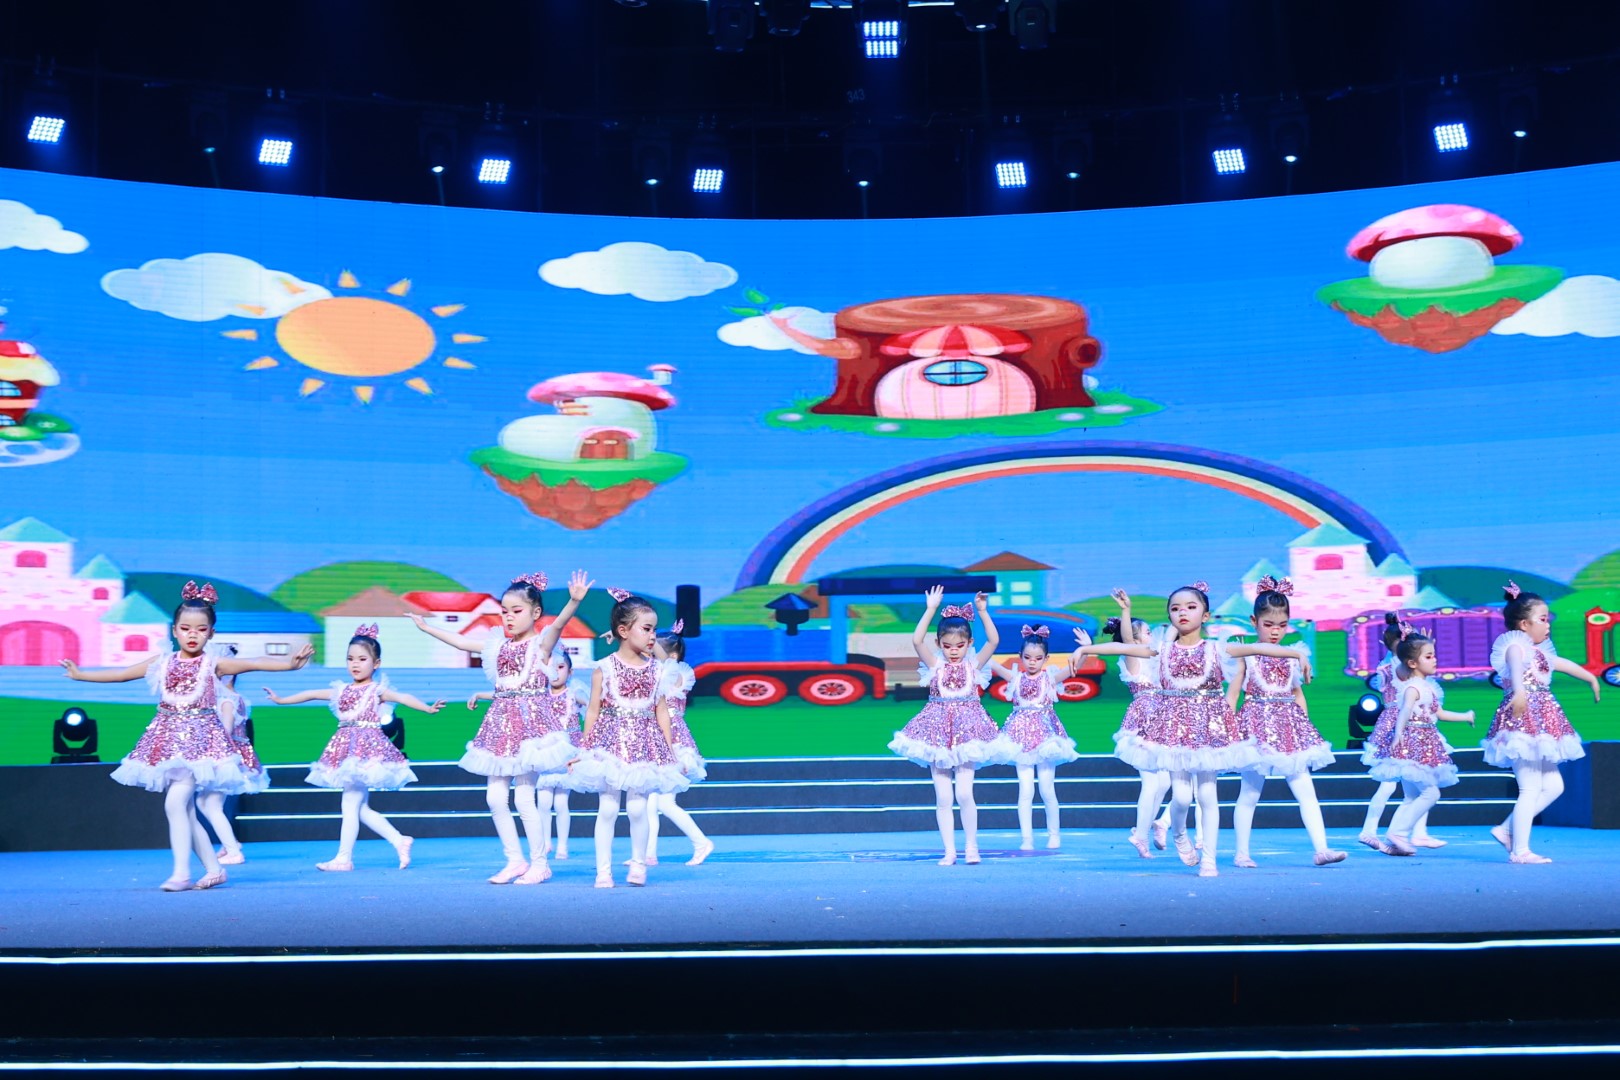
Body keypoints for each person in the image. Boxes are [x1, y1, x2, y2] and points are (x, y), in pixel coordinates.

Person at [62, 581, 312, 891]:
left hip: (200, 744)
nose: (193, 634)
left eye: (201, 629)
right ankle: (214, 869)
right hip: (167, 742)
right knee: (187, 812)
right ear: (174, 631)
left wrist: (289, 664)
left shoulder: (213, 663)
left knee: (175, 803)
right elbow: (122, 674)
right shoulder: (162, 662)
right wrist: (81, 675)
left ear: (211, 633)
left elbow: (254, 662)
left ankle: (181, 873)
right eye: (185, 628)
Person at [1114, 581, 1311, 877]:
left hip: (1208, 730)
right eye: (1176, 608)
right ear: (1169, 615)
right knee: (1181, 797)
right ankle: (1179, 834)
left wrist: (1297, 655)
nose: (1183, 612)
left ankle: (1209, 860)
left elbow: (1257, 647)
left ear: (1205, 615)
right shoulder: (1163, 650)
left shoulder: (1215, 649)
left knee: (1207, 796)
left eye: (1191, 607)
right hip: (1175, 731)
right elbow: (1125, 647)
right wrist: (1088, 647)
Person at [415, 570, 589, 885]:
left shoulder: (540, 644)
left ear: (535, 612)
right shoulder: (498, 646)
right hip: (500, 726)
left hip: (532, 727)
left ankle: (540, 864)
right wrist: (427, 628)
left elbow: (558, 625)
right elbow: (462, 641)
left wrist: (574, 602)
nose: (509, 617)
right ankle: (515, 860)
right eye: (504, 611)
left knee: (524, 798)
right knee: (495, 798)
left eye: (516, 610)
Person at [265, 624, 443, 871]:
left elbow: (403, 698)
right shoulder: (342, 690)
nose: (355, 664)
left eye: (362, 659)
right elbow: (312, 693)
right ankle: (398, 840)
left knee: (350, 804)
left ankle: (344, 858)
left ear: (376, 663)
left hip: (366, 753)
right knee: (360, 807)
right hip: (345, 750)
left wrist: (427, 708)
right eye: (350, 659)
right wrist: (281, 700)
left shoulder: (376, 690)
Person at [570, 590, 690, 888]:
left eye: (654, 629)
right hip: (610, 745)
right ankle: (603, 871)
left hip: (645, 746)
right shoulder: (604, 668)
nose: (652, 636)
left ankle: (638, 864)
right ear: (623, 631)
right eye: (646, 629)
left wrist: (671, 751)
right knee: (608, 808)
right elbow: (593, 711)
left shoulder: (657, 670)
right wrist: (584, 749)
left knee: (638, 808)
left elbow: (662, 711)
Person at [1229, 577, 1346, 868]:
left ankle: (1322, 849)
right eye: (1268, 624)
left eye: (1281, 625)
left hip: (1288, 727)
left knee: (1305, 789)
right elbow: (1234, 692)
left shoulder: (1293, 657)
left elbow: (1297, 694)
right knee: (1250, 792)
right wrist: (1226, 725)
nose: (1275, 631)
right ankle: (1242, 853)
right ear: (1254, 621)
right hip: (1255, 726)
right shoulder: (1246, 654)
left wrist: (1303, 726)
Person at [1482, 581, 1602, 863]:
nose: (1548, 625)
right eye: (1543, 619)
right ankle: (1520, 851)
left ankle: (1505, 829)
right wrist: (1520, 691)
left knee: (1554, 786)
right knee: (1530, 788)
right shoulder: (1515, 646)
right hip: (1522, 723)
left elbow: (1564, 664)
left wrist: (1591, 678)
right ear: (1524, 624)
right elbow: (1514, 666)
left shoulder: (1540, 653)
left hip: (1543, 724)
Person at [888, 588, 1005, 866]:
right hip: (936, 732)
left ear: (969, 643)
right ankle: (949, 851)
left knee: (964, 793)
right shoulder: (936, 664)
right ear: (939, 643)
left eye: (959, 645)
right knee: (943, 797)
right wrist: (930, 608)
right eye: (948, 645)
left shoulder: (974, 664)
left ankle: (971, 847)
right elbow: (916, 640)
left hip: (968, 732)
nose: (954, 651)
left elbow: (994, 640)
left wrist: (983, 611)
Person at [1372, 627, 1475, 856]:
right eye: (1428, 656)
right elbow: (1404, 710)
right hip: (1413, 745)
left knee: (1412, 796)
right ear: (1412, 663)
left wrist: (1465, 716)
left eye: (1434, 655)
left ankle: (1395, 838)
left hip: (1425, 744)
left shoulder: (1427, 687)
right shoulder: (1412, 687)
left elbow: (1440, 713)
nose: (1434, 660)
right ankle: (1399, 833)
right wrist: (1398, 734)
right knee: (1431, 793)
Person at [987, 625, 1082, 850]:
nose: (1032, 662)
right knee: (1025, 791)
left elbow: (1074, 668)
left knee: (1047, 789)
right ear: (1020, 656)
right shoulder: (1015, 678)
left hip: (1046, 738)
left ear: (1046, 659)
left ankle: (1054, 835)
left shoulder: (1050, 678)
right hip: (1019, 738)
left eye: (1038, 658)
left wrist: (1085, 649)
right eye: (1028, 657)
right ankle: (1027, 839)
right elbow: (989, 661)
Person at [1357, 615, 1440, 850]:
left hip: (1412, 721)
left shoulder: (1396, 664)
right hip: (1397, 723)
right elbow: (1406, 677)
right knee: (1392, 782)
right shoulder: (1392, 666)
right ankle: (1369, 830)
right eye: (1406, 638)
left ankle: (1418, 832)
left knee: (1418, 777)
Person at [645, 621, 715, 867]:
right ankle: (647, 854)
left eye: (653, 650)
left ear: (671, 656)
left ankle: (701, 843)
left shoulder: (676, 675)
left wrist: (649, 637)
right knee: (649, 803)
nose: (649, 653)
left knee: (664, 803)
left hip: (674, 745)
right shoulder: (656, 675)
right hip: (657, 743)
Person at [195, 649, 265, 866]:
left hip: (227, 756)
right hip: (229, 754)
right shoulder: (232, 698)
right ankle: (230, 844)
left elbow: (225, 731)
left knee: (211, 805)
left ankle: (233, 850)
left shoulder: (226, 700)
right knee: (204, 802)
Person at [536, 650, 588, 861]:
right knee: (543, 802)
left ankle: (562, 846)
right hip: (546, 753)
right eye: (551, 668)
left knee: (561, 803)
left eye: (560, 667)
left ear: (570, 671)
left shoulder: (573, 694)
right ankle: (545, 842)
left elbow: (590, 703)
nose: (555, 673)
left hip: (567, 754)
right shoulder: (540, 695)